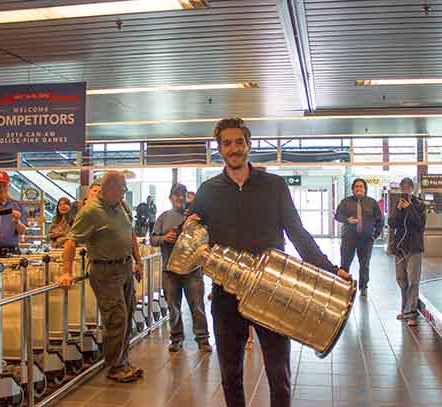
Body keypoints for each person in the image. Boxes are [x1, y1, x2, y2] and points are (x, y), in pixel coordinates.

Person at [186, 118, 351, 407]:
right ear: (219, 149)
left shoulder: (274, 185)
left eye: (239, 142)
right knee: (230, 374)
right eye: (227, 143)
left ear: (248, 145)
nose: (234, 148)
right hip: (226, 295)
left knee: (279, 374)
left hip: (273, 291)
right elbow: (195, 238)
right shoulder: (207, 192)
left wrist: (330, 269)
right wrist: (186, 229)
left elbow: (298, 233)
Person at [58, 171, 143, 383]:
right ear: (111, 187)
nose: (125, 192)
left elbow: (130, 234)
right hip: (105, 271)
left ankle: (122, 360)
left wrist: (138, 260)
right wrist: (66, 271)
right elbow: (71, 241)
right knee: (116, 318)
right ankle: (115, 366)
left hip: (125, 267)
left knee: (128, 313)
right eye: (122, 188)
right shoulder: (91, 211)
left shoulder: (121, 206)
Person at [151, 183, 211, 353]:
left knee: (197, 305)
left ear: (186, 197)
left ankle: (203, 339)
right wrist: (164, 238)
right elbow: (153, 239)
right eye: (176, 195)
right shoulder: (163, 217)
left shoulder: (195, 216)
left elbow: (206, 237)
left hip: (193, 270)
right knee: (173, 306)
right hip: (170, 271)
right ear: (170, 198)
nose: (179, 197)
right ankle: (176, 338)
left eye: (182, 194)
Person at [335, 178, 383, 296]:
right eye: (356, 187)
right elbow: (337, 215)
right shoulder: (345, 202)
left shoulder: (372, 203)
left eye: (361, 187)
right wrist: (347, 220)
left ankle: (363, 287)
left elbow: (380, 220)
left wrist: (375, 235)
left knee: (364, 264)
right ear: (353, 189)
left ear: (365, 189)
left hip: (366, 240)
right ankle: (344, 285)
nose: (359, 189)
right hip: (348, 239)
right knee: (345, 263)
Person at [388, 177, 426, 327]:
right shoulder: (397, 204)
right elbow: (391, 223)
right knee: (401, 279)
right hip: (400, 247)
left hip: (414, 247)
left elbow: (420, 224)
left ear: (412, 189)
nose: (405, 190)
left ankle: (412, 313)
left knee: (413, 281)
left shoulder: (420, 204)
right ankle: (404, 310)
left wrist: (409, 208)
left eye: (407, 187)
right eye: (402, 187)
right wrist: (398, 210)